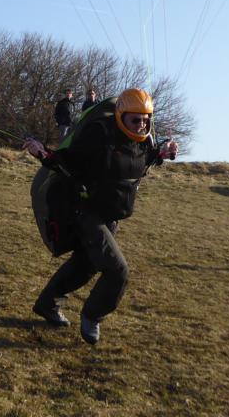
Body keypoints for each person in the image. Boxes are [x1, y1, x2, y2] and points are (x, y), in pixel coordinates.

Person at [24, 88, 178, 345]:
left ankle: (47, 304)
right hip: (84, 211)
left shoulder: (143, 143)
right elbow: (68, 162)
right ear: (121, 116)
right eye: (135, 120)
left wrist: (163, 152)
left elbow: (142, 161)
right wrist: (42, 153)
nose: (141, 125)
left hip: (110, 216)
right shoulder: (100, 136)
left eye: (146, 120)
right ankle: (93, 316)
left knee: (86, 265)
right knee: (118, 271)